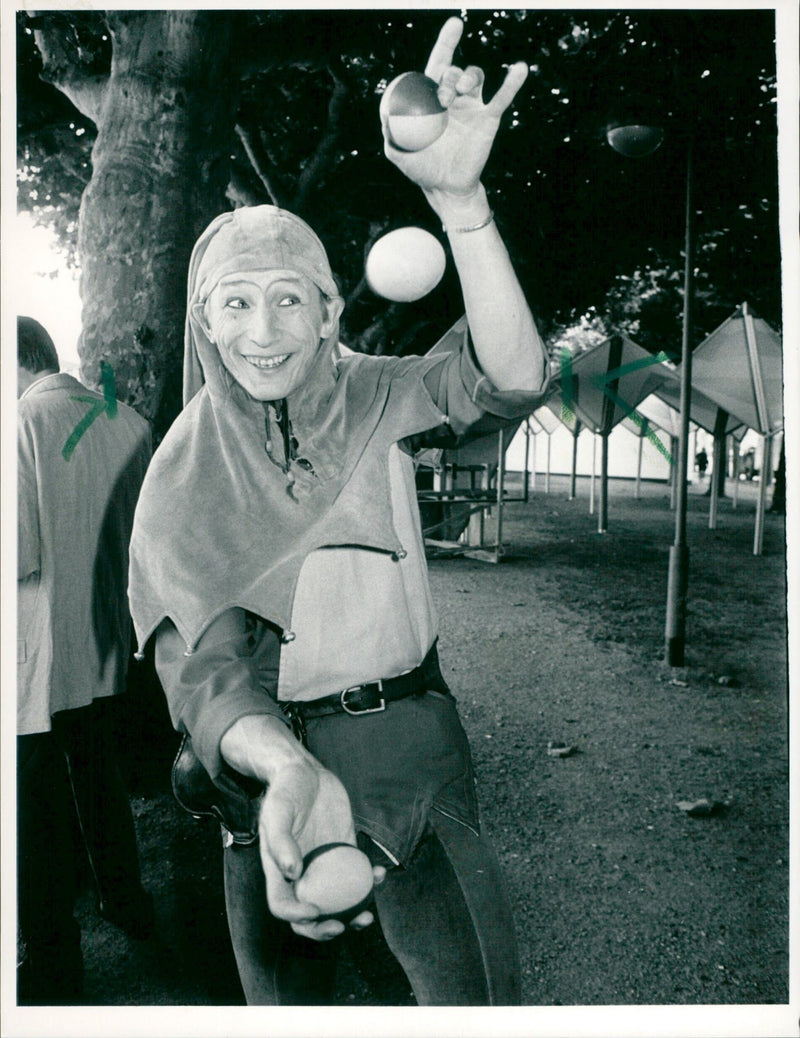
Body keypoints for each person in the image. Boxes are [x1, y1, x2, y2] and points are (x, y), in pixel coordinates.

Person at [129, 18, 549, 1005]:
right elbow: (206, 668)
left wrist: (462, 205)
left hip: (410, 744)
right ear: (203, 321)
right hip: (265, 778)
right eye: (234, 303)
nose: (262, 331)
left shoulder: (377, 394)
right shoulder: (182, 468)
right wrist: (281, 771)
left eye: (288, 299)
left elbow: (511, 375)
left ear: (328, 309)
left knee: (472, 1004)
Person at [17, 317, 153, 1004]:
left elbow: (18, 554)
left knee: (30, 805)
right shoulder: (127, 420)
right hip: (110, 638)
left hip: (36, 654)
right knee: (99, 773)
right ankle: (125, 898)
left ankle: (50, 962)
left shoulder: (19, 424)